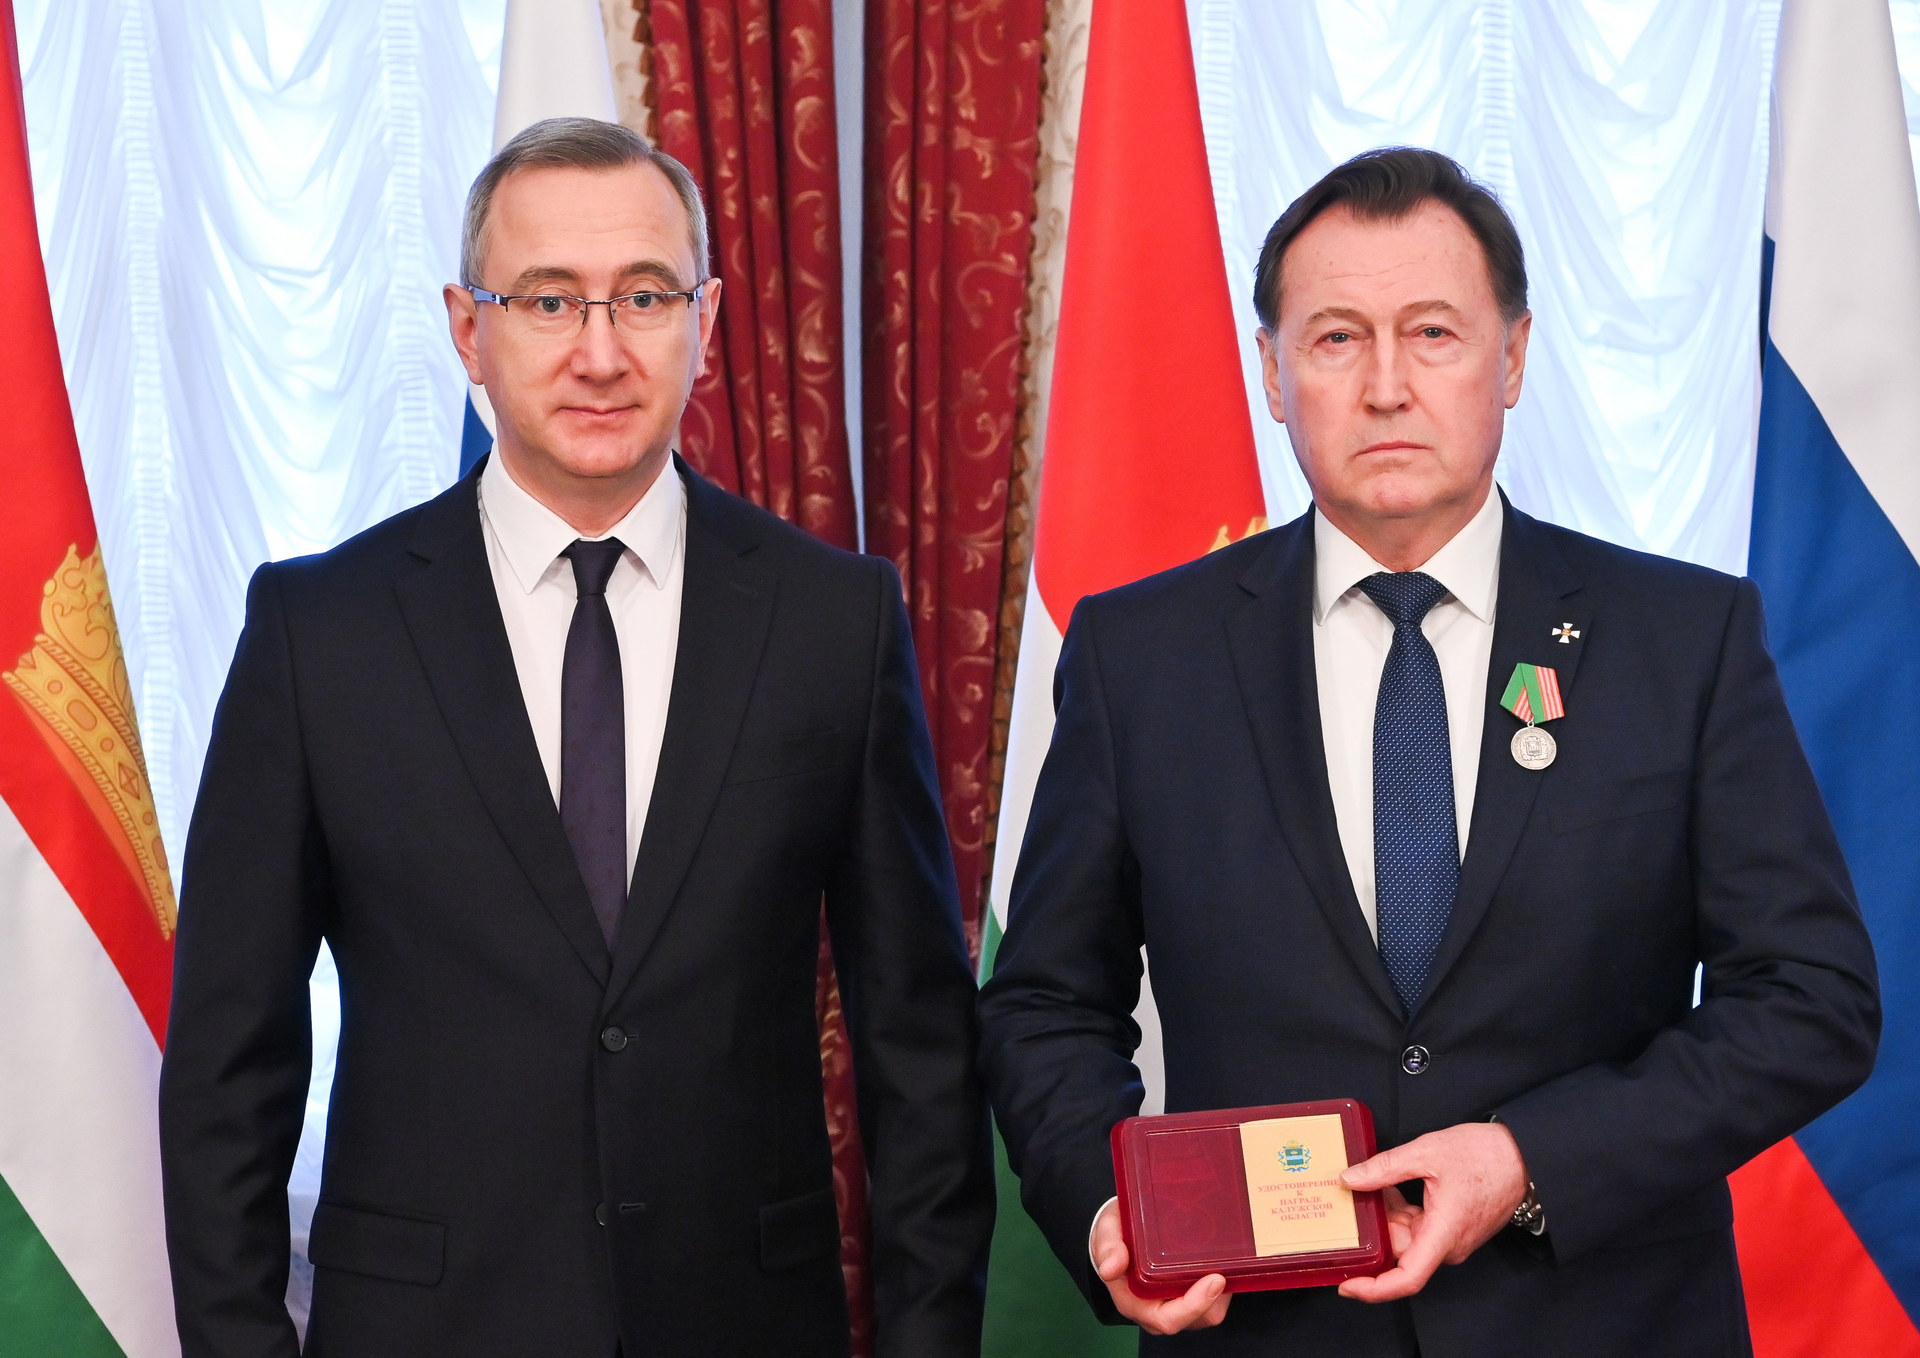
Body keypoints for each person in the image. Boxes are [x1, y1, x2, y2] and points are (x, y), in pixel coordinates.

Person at [977, 146, 1879, 1356]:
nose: (1387, 386)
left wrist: (1529, 1159)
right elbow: (1044, 1001)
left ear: (1512, 358)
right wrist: (1110, 1209)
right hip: (1270, 1331)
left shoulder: (1683, 638)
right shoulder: (1142, 654)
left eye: (1435, 333)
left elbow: (1813, 999)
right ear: (1273, 371)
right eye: (1337, 338)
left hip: (1608, 1323)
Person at [160, 116, 993, 1358]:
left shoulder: (833, 619)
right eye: (548, 301)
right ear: (468, 329)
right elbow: (229, 1065)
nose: (600, 353)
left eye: (644, 297)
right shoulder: (318, 631)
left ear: (705, 321)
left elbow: (919, 1051)